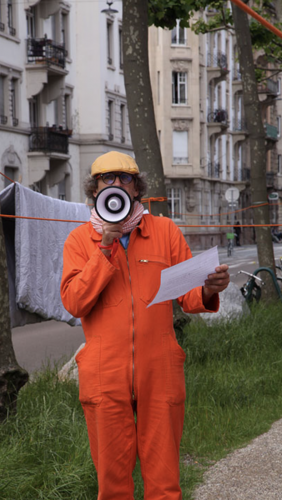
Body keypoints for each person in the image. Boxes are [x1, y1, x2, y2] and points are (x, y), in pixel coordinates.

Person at [60, 151, 230, 500]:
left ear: (137, 188)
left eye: (125, 178)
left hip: (160, 369)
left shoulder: (165, 231)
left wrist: (208, 289)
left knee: (164, 482)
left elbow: (189, 296)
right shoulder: (80, 241)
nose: (117, 184)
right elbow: (75, 302)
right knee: (113, 483)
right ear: (94, 190)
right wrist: (104, 247)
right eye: (107, 179)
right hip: (104, 373)